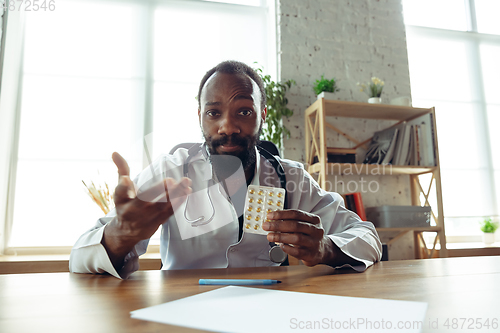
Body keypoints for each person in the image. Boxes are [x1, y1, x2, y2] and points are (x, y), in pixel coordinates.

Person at [69, 60, 382, 279]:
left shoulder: (291, 178)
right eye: (213, 112)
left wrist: (327, 248)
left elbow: (368, 237)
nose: (227, 126)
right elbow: (78, 258)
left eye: (243, 111)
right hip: (182, 311)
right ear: (200, 117)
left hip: (265, 311)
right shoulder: (171, 172)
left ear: (262, 114)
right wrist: (119, 235)